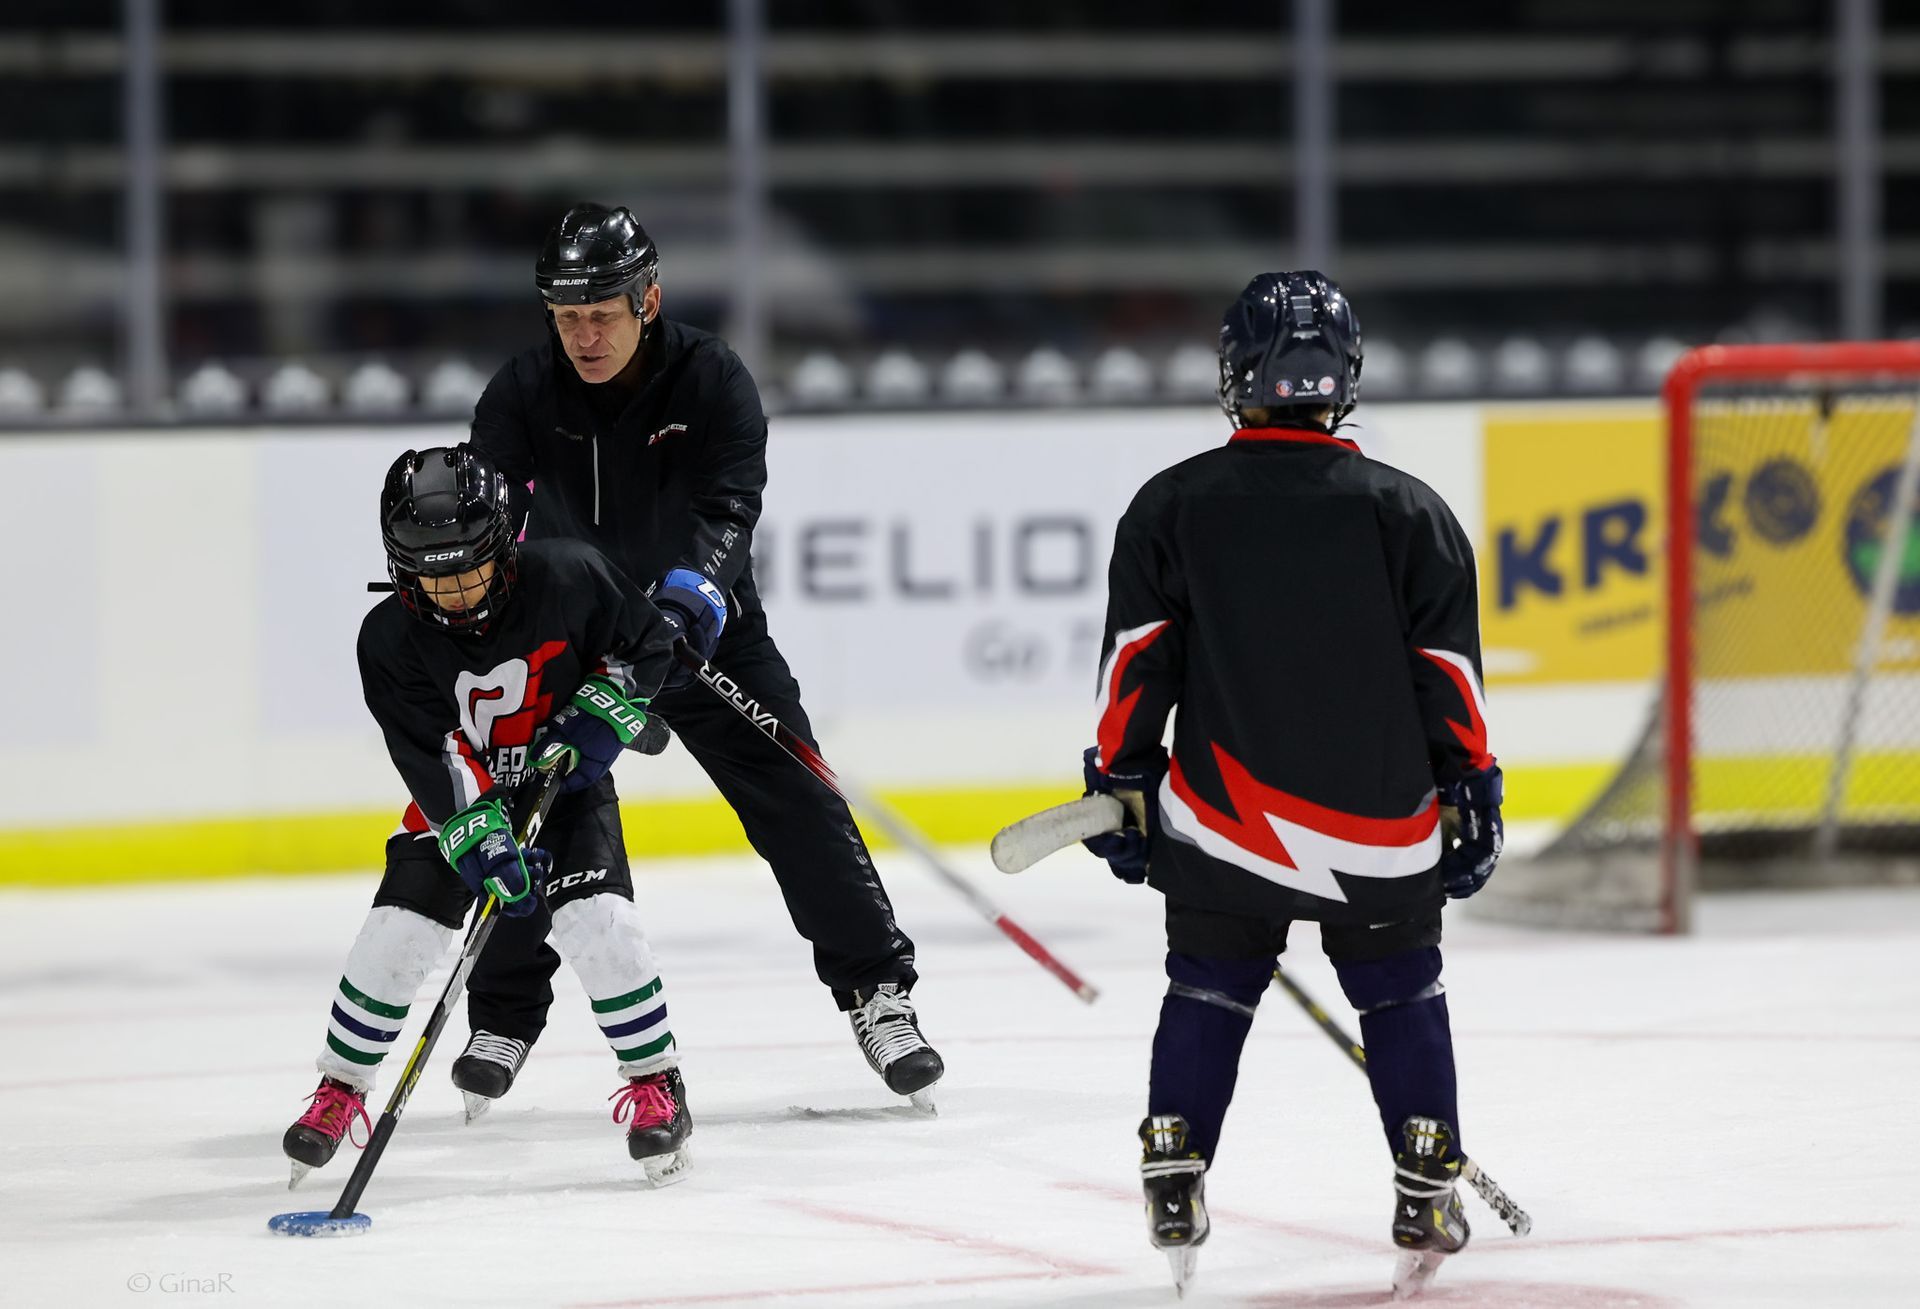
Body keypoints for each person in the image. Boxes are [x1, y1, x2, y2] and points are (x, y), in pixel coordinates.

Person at [452, 202, 942, 1113]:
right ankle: (503, 1016)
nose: (584, 337)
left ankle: (878, 992)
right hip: (573, 643)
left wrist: (684, 601)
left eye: (602, 315)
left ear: (648, 300)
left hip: (703, 627)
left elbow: (730, 509)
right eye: (567, 317)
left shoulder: (712, 378)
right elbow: (499, 524)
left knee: (797, 794)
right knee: (530, 807)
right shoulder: (519, 393)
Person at [1081, 272, 1503, 1297]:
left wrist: (1120, 782)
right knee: (1401, 989)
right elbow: (1448, 681)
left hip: (1223, 823)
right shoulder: (1410, 510)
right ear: (1344, 376)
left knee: (1208, 984)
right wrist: (1473, 790)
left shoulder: (1171, 505)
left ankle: (1175, 1159)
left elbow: (1136, 668)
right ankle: (1425, 1179)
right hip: (1381, 825)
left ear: (1233, 374)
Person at [282, 446, 695, 1188]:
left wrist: (604, 709)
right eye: (431, 574)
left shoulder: (571, 574)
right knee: (396, 934)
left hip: (565, 792)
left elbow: (644, 644)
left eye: (468, 568)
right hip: (458, 804)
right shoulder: (388, 638)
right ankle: (340, 1088)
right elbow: (433, 751)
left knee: (602, 924)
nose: (452, 591)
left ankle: (657, 1081)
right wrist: (484, 837)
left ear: (504, 546)